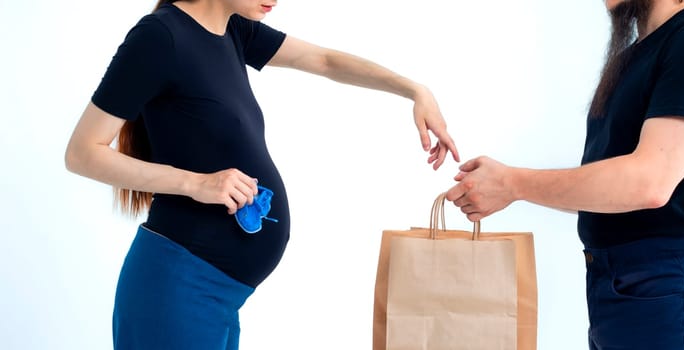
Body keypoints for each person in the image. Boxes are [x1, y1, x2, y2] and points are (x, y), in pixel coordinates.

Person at [64, 0, 459, 348]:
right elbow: (82, 153)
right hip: (177, 289)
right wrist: (195, 183)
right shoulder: (159, 37)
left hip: (219, 296)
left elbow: (324, 61)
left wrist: (415, 90)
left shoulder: (234, 29)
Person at [446, 0, 684, 349]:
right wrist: (510, 187)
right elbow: (611, 189)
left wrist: (513, 183)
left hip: (672, 283)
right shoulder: (638, 57)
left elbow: (648, 182)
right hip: (626, 287)